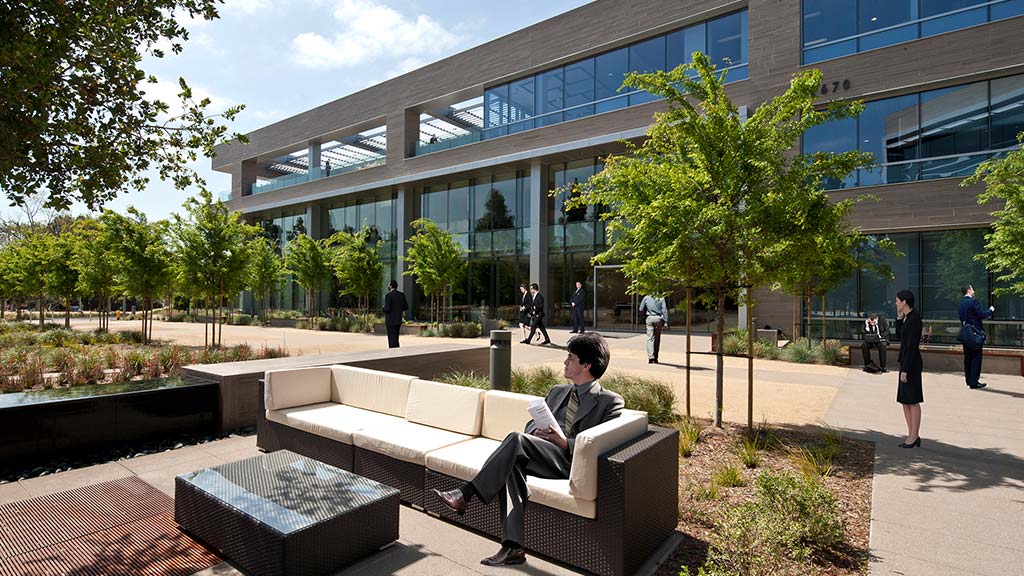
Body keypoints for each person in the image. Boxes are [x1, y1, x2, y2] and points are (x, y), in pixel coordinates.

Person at [432, 333, 624, 566]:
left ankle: (466, 494)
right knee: (513, 464)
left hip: (568, 461)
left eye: (571, 358)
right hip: (541, 454)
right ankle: (513, 547)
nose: (565, 362)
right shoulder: (557, 391)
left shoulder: (609, 402)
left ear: (586, 365)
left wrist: (564, 442)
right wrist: (537, 432)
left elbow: (601, 445)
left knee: (515, 441)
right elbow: (530, 425)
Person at [895, 290, 923, 449]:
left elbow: (912, 346)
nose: (896, 303)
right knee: (905, 400)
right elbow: (899, 337)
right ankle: (911, 434)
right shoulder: (907, 318)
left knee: (913, 400)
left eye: (898, 300)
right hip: (905, 362)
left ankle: (914, 435)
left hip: (911, 364)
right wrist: (899, 318)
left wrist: (905, 369)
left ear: (904, 301)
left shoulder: (914, 319)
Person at [957, 284, 994, 390]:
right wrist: (990, 310)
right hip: (975, 334)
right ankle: (974, 382)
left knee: (967, 357)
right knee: (976, 358)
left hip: (966, 334)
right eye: (972, 289)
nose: (973, 291)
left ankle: (969, 380)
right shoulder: (973, 301)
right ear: (968, 290)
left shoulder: (961, 304)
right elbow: (982, 314)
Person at [638, 293, 668, 363]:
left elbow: (641, 309)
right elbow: (664, 310)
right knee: (657, 339)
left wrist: (643, 318)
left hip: (650, 318)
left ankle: (651, 357)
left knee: (649, 338)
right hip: (658, 318)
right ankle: (656, 357)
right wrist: (666, 321)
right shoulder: (661, 298)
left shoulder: (646, 297)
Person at [382, 280, 408, 348]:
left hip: (390, 320)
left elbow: (387, 309)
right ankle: (397, 350)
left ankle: (393, 353)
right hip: (398, 319)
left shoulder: (388, 296)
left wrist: (383, 308)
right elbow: (406, 307)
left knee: (391, 338)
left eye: (388, 285)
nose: (388, 286)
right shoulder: (402, 295)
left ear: (390, 286)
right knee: (396, 337)